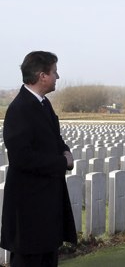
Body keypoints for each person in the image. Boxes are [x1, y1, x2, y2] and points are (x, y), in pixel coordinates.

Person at [0, 51, 77, 267]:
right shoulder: (19, 109)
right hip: (29, 208)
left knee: (47, 259)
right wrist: (63, 162)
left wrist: (65, 151)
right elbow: (21, 158)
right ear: (42, 76)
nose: (57, 77)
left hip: (46, 204)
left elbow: (55, 138)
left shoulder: (43, 104)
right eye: (54, 72)